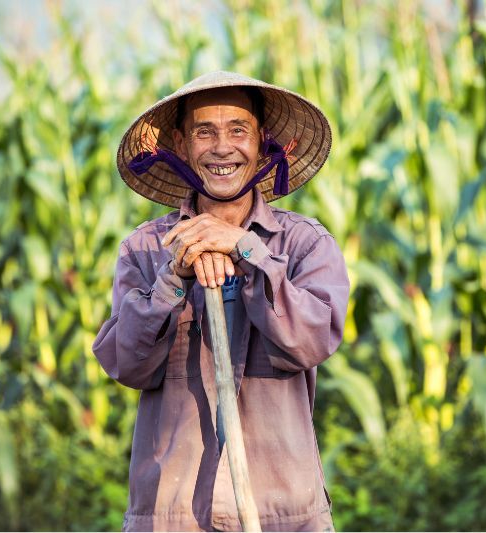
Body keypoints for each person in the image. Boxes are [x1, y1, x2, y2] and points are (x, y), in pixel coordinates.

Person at [92, 71, 349, 532]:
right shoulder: (146, 249)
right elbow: (128, 365)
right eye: (204, 131)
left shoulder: (304, 244)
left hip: (283, 514)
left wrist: (247, 251)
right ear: (181, 143)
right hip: (174, 517)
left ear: (261, 141)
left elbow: (310, 341)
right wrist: (173, 278)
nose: (222, 147)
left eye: (238, 130)